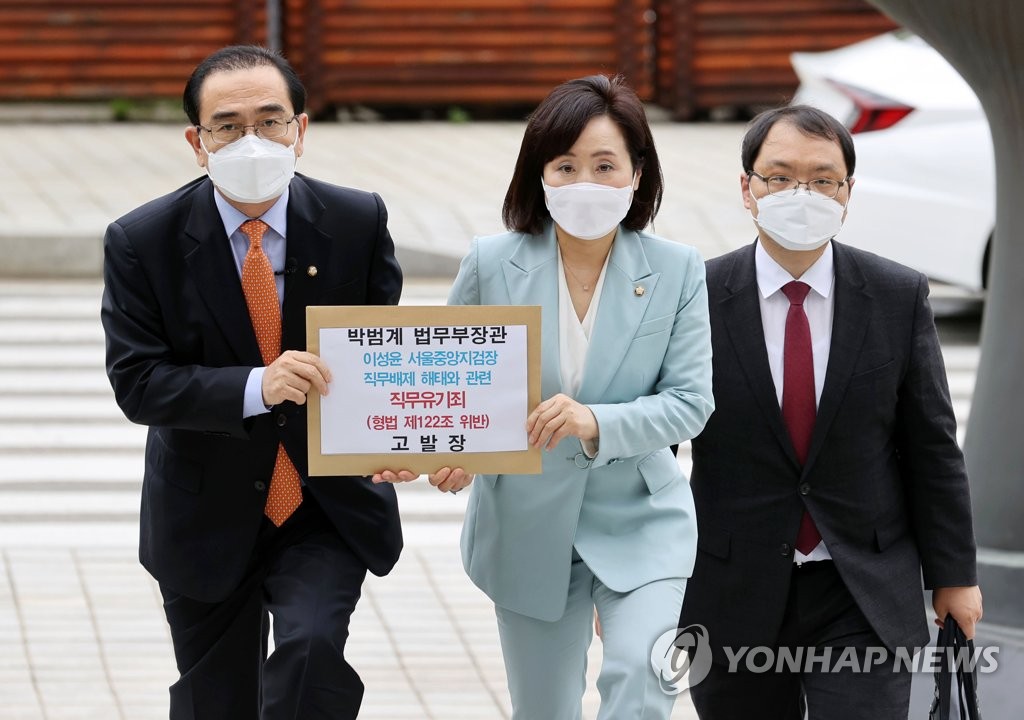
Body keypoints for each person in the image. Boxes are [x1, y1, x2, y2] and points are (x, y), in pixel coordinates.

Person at [375, 75, 714, 719]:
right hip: (526, 524)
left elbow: (690, 402)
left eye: (605, 164)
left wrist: (595, 421)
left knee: (643, 682)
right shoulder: (491, 261)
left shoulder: (676, 269)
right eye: (566, 165)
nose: (585, 181)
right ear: (540, 175)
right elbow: (451, 387)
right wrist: (451, 455)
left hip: (643, 519)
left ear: (637, 175)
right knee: (544, 710)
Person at [100, 45, 403, 719]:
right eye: (228, 126)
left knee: (312, 653)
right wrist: (254, 386)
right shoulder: (142, 240)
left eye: (270, 121)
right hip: (205, 510)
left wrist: (409, 441)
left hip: (323, 503)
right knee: (217, 701)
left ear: (301, 129)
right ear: (197, 142)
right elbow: (139, 382)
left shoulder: (357, 221)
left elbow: (383, 359)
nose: (253, 140)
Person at [678, 105, 983, 718]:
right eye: (781, 177)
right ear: (747, 187)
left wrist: (956, 576)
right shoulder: (695, 296)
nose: (802, 194)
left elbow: (932, 446)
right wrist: (632, 583)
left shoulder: (896, 295)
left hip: (863, 585)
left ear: (847, 194)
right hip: (733, 587)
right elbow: (656, 447)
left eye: (823, 180)